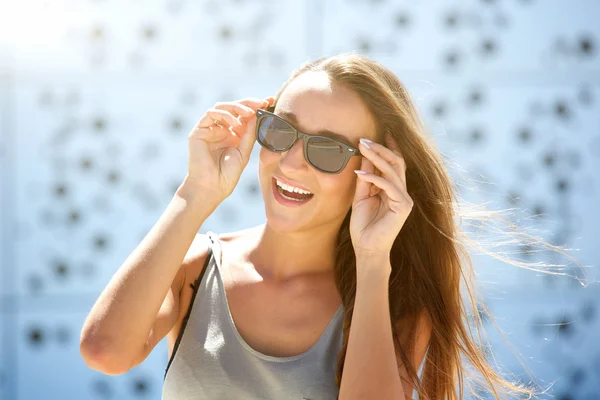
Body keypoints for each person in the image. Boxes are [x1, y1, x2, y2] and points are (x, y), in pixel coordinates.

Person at [80, 53, 552, 399]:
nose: (291, 161)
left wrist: (372, 261)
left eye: (327, 150)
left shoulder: (395, 303)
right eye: (280, 131)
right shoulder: (196, 272)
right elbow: (105, 351)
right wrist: (195, 193)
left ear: (374, 171)